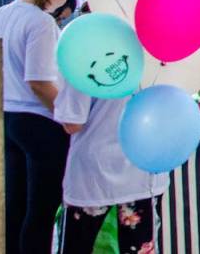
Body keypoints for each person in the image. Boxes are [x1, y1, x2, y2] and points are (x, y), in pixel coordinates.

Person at [0, 0, 77, 254]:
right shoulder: (41, 23)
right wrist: (68, 115)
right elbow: (39, 82)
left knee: (14, 207)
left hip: (9, 118)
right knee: (40, 212)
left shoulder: (2, 14)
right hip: (39, 124)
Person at [54, 78, 170, 254]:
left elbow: (72, 122)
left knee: (77, 245)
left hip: (94, 173)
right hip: (144, 167)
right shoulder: (162, 56)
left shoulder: (87, 55)